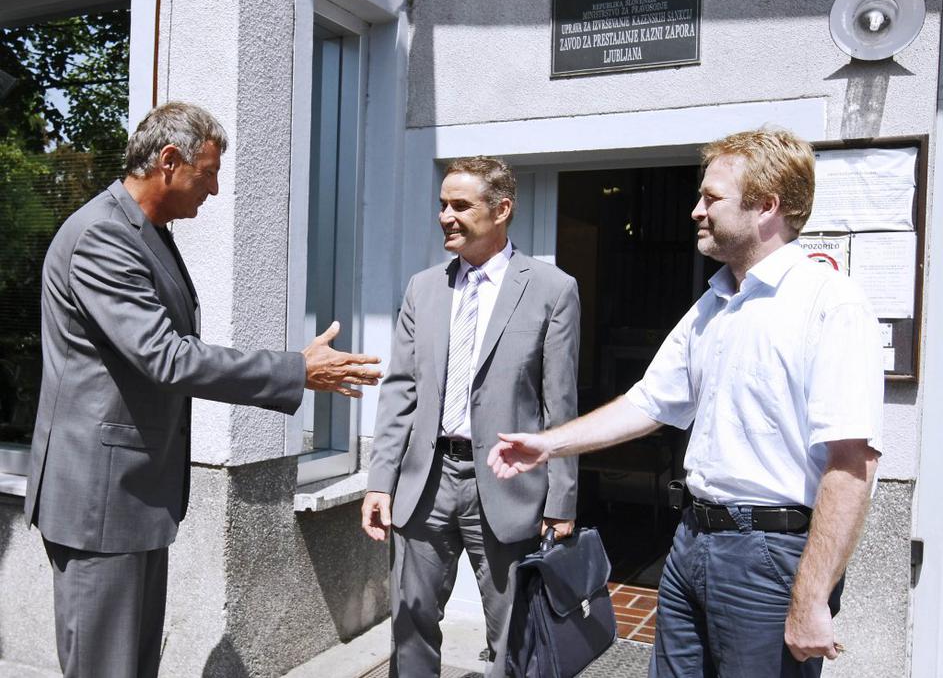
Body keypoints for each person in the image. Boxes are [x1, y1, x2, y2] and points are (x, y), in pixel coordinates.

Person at [488, 129, 884, 677]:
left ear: (767, 206)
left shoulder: (830, 303)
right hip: (692, 540)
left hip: (770, 556)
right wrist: (548, 444)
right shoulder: (714, 303)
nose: (696, 210)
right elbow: (649, 402)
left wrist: (813, 596)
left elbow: (852, 464)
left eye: (712, 198)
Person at [23, 101, 382, 678]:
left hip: (131, 497)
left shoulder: (146, 232)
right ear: (168, 161)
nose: (214, 190)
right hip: (99, 504)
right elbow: (165, 356)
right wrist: (294, 370)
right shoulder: (101, 236)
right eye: (208, 173)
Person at [361, 156, 580, 676]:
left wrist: (561, 499)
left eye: (460, 205)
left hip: (508, 487)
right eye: (442, 205)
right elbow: (401, 391)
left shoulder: (551, 289)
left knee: (514, 637)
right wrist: (380, 481)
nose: (445, 216)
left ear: (501, 210)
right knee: (410, 627)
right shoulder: (423, 287)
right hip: (425, 484)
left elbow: (560, 406)